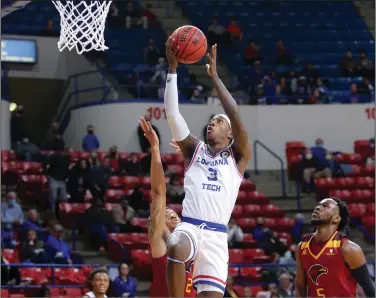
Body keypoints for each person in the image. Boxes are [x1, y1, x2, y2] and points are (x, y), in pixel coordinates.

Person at [164, 39, 252, 297]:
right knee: (177, 246)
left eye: (218, 121)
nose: (212, 124)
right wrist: (172, 70)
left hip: (216, 236)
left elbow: (234, 112)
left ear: (230, 134)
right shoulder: (194, 149)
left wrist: (214, 78)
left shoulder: (239, 156)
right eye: (211, 121)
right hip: (190, 226)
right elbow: (173, 114)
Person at [138, 116, 195, 297]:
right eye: (166, 214)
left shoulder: (191, 243)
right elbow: (158, 192)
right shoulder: (161, 241)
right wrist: (155, 149)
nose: (173, 215)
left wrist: (195, 157)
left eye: (174, 213)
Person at [295, 197, 375, 298]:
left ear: (336, 218)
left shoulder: (348, 248)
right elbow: (300, 286)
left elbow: (370, 289)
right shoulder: (302, 246)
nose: (318, 208)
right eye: (318, 205)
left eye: (325, 206)